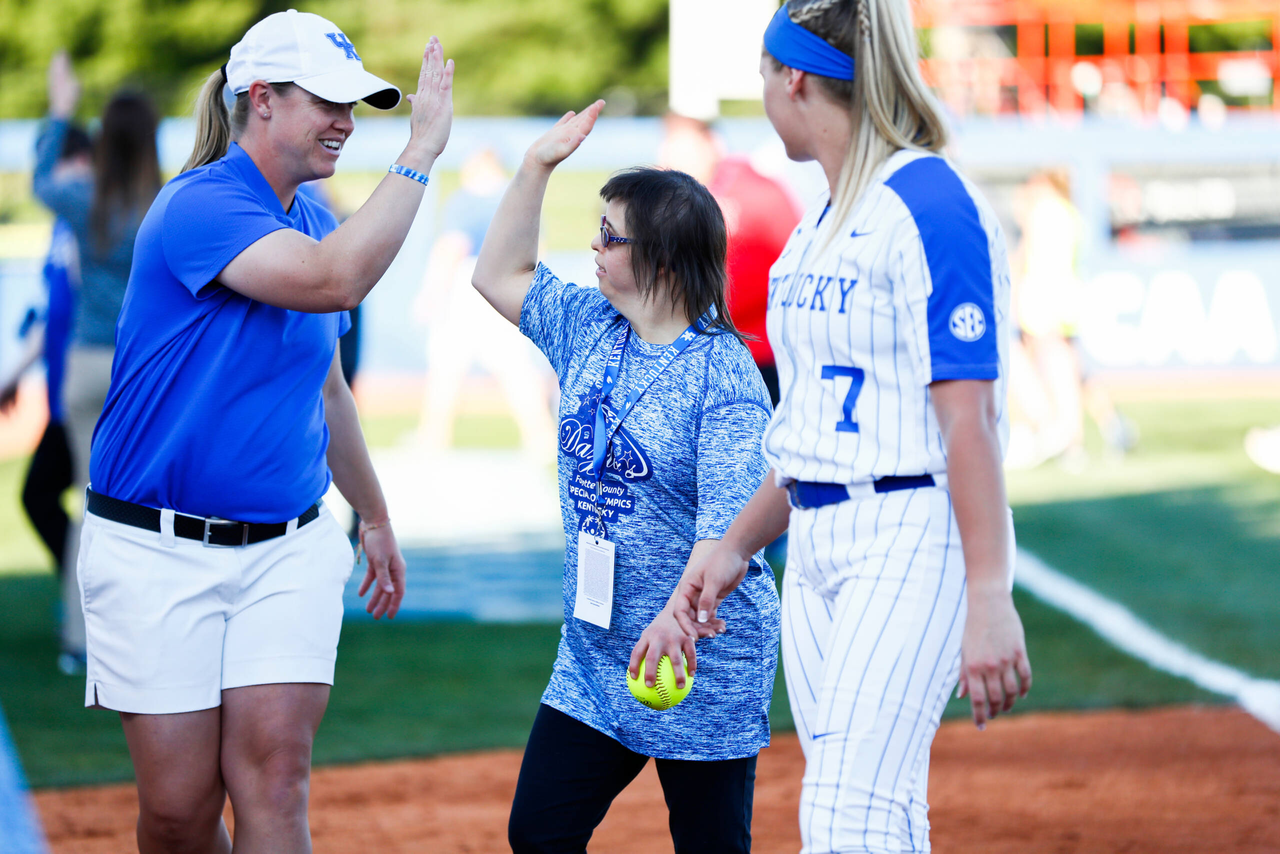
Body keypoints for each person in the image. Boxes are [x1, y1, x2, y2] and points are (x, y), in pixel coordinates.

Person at [76, 12, 453, 851]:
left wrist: (377, 516)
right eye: (328, 102)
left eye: (357, 107)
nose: (348, 123)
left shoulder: (316, 217)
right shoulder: (200, 205)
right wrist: (418, 150)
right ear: (262, 100)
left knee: (276, 782)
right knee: (178, 814)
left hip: (287, 547)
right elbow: (333, 281)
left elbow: (328, 393)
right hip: (154, 549)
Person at [667, 2, 1033, 852]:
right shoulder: (815, 229)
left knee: (843, 816)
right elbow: (808, 439)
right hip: (820, 543)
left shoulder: (929, 201)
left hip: (908, 531)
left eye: (763, 74)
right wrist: (731, 549)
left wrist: (989, 593)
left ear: (793, 76)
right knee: (881, 810)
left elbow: (969, 418)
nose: (762, 92)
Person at [471, 102, 781, 854]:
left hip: (697, 652)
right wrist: (537, 165)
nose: (595, 246)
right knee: (539, 834)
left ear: (664, 260)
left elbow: (728, 533)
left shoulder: (725, 374)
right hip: (595, 655)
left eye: (612, 237)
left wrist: (676, 614)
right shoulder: (588, 327)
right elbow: (497, 273)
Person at [32, 53, 162, 674]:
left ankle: (81, 641)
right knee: (155, 506)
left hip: (86, 365)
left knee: (93, 509)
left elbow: (40, 181)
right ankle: (147, 634)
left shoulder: (85, 198)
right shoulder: (162, 204)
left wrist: (60, 108)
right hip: (142, 370)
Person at [414, 148, 556, 458]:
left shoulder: (467, 199)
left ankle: (433, 436)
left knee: (447, 365)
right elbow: (537, 250)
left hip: (470, 286)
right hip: (509, 284)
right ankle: (541, 437)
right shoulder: (518, 198)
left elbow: (453, 247)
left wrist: (432, 293)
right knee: (515, 367)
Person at [659, 112, 803, 407]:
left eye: (681, 145)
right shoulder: (680, 197)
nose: (670, 155)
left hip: (759, 355)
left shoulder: (749, 193)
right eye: (668, 144)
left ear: (711, 143)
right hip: (711, 354)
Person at [0, 125, 91, 580]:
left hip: (91, 389)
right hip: (64, 392)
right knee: (42, 496)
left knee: (83, 503)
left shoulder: (94, 218)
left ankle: (88, 604)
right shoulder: (63, 224)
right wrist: (15, 374)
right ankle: (84, 596)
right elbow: (51, 315)